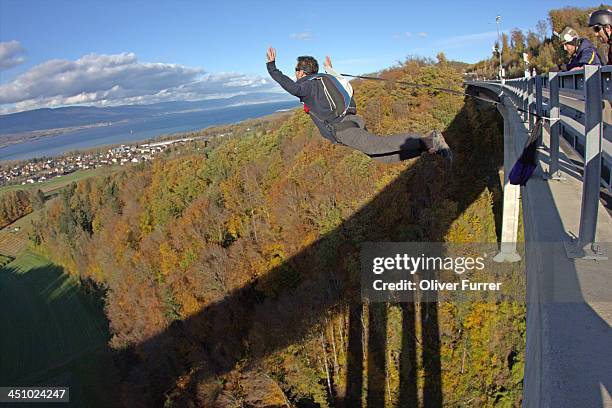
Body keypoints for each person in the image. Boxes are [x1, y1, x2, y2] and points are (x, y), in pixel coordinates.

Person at [265, 47, 452, 164]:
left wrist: (272, 67)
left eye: (296, 70)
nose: (295, 74)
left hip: (343, 128)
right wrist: (330, 68)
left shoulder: (307, 86)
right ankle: (428, 147)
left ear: (300, 72)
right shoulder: (328, 79)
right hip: (352, 121)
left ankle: (429, 140)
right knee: (379, 156)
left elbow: (291, 87)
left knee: (376, 146)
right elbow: (346, 87)